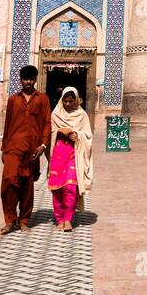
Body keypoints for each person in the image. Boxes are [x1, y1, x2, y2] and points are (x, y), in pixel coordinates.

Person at [0, 65, 50, 234]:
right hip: (13, 147)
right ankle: (10, 219)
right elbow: (8, 124)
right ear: (20, 80)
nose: (28, 82)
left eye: (31, 79)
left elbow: (46, 123)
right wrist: (4, 148)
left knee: (27, 186)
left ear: (36, 79)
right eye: (25, 79)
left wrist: (43, 145)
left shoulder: (42, 99)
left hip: (32, 149)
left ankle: (24, 220)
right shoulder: (13, 99)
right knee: (9, 182)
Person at [46, 86, 94, 232]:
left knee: (71, 188)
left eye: (70, 101)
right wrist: (59, 131)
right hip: (59, 155)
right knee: (57, 189)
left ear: (75, 100)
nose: (67, 104)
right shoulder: (55, 115)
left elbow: (88, 136)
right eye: (65, 101)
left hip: (74, 155)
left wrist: (77, 135)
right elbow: (49, 133)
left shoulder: (82, 115)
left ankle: (68, 219)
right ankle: (59, 218)